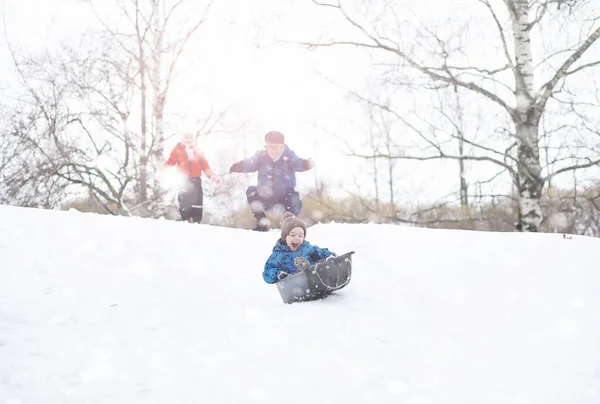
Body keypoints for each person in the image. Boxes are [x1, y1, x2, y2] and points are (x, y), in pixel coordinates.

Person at [229, 131, 314, 231]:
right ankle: (262, 223)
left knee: (295, 201)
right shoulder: (261, 156)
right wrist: (238, 166)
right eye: (270, 147)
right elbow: (250, 164)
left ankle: (288, 224)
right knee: (251, 191)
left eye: (276, 148)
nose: (273, 151)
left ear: (282, 146)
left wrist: (306, 164)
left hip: (285, 196)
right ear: (266, 146)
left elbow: (298, 164)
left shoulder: (289, 156)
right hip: (265, 195)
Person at [262, 212, 336, 284]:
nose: (297, 238)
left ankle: (330, 273)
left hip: (314, 279)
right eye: (293, 235)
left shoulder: (307, 247)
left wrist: (329, 256)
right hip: (294, 285)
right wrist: (278, 274)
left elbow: (320, 252)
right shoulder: (278, 254)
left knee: (320, 262)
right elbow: (267, 273)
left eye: (300, 236)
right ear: (285, 237)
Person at [163, 133, 220, 223]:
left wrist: (212, 176)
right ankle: (186, 218)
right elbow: (170, 162)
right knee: (184, 199)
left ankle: (196, 219)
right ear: (182, 138)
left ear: (194, 139)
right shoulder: (177, 150)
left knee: (197, 199)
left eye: (191, 137)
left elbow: (205, 166)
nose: (188, 139)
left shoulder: (198, 151)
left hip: (196, 180)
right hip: (183, 180)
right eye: (186, 137)